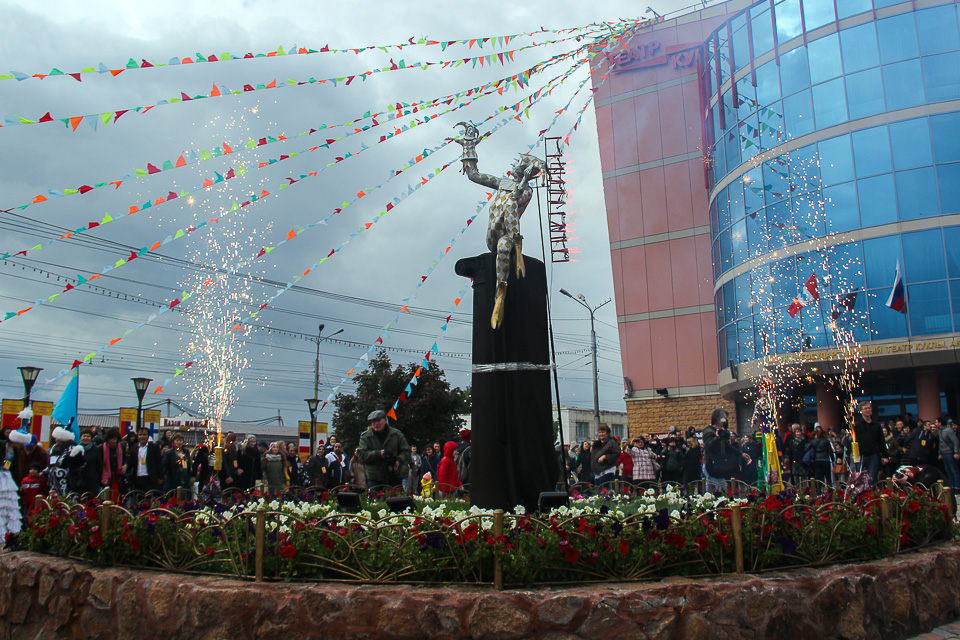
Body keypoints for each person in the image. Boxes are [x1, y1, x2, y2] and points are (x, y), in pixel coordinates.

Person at [356, 410, 412, 493]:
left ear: (385, 420)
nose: (376, 423)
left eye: (378, 420)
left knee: (396, 499)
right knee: (375, 500)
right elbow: (362, 455)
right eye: (373, 421)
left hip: (394, 475)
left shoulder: (396, 434)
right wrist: (379, 454)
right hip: (375, 477)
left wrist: (398, 460)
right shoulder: (365, 436)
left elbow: (406, 451)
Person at [704, 420, 750, 492]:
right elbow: (709, 445)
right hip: (711, 465)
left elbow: (729, 447)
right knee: (720, 489)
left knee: (714, 489)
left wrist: (741, 454)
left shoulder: (722, 439)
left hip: (718, 466)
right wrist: (716, 438)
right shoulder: (709, 433)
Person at [853, 400, 888, 486]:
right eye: (865, 408)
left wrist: (885, 455)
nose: (868, 410)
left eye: (869, 408)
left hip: (873, 454)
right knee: (859, 478)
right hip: (860, 454)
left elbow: (881, 441)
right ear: (861, 411)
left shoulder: (876, 425)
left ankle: (872, 493)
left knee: (872, 478)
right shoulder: (857, 424)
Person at [125, 426, 163, 500]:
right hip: (137, 478)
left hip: (150, 478)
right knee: (139, 499)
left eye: (144, 435)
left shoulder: (154, 448)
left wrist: (160, 477)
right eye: (140, 435)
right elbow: (130, 464)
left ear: (148, 436)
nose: (142, 437)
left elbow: (159, 463)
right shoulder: (134, 449)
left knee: (148, 499)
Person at [46, 426, 84, 497]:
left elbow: (81, 463)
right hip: (53, 482)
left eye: (57, 438)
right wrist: (43, 472)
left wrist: (73, 456)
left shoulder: (72, 449)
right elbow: (51, 465)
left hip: (66, 481)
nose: (55, 440)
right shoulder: (54, 449)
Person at [939, 419, 960, 492]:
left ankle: (957, 487)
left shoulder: (948, 430)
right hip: (944, 453)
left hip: (950, 452)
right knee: (948, 470)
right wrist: (940, 453)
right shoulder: (940, 431)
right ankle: (952, 486)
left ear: (940, 423)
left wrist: (956, 452)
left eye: (936, 422)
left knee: (954, 470)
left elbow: (955, 441)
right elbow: (940, 443)